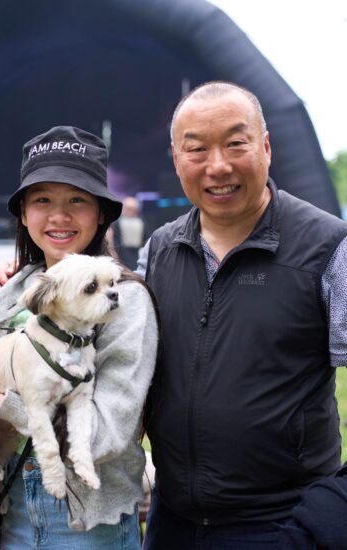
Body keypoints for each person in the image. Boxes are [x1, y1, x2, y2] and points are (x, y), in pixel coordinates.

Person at [140, 81, 347, 548]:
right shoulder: (159, 251)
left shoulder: (328, 247)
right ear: (176, 159)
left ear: (266, 147)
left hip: (283, 526)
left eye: (236, 143)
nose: (218, 166)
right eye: (197, 149)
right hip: (170, 523)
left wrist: (331, 515)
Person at [0, 126, 159, 549]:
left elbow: (106, 433)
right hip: (13, 517)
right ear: (24, 213)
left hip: (86, 526)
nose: (59, 215)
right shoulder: (11, 295)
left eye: (77, 200)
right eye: (42, 199)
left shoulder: (127, 302)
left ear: (101, 212)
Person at [109, 196, 146, 270]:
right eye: (128, 208)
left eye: (133, 209)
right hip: (121, 255)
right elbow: (113, 240)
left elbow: (146, 238)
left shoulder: (141, 222)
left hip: (137, 255)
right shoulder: (117, 223)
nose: (131, 211)